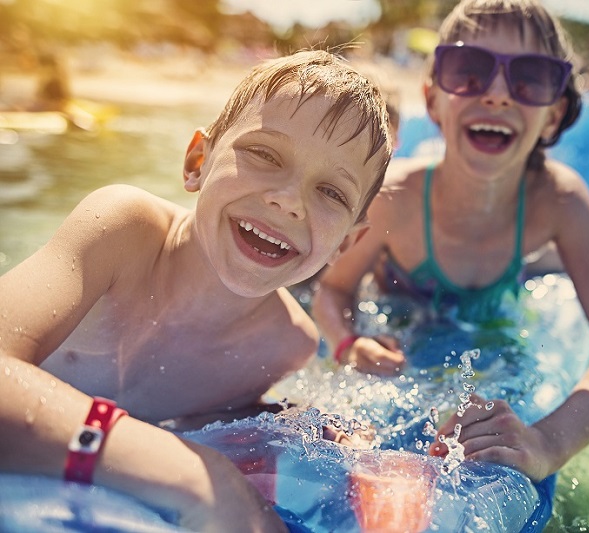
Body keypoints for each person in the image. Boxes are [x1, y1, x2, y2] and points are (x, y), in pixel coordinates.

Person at [0, 49, 393, 532]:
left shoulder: (286, 346)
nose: (288, 201)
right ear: (197, 162)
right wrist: (200, 476)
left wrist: (306, 425)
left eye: (331, 193)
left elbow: (210, 417)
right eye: (264, 155)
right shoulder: (124, 232)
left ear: (347, 243)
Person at [312, 0, 589, 513]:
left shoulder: (557, 201)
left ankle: (568, 262)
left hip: (493, 313)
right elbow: (334, 290)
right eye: (468, 71)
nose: (496, 94)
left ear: (553, 114)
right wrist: (347, 343)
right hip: (405, 308)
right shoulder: (398, 200)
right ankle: (560, 263)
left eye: (531, 78)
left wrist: (547, 443)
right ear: (433, 101)